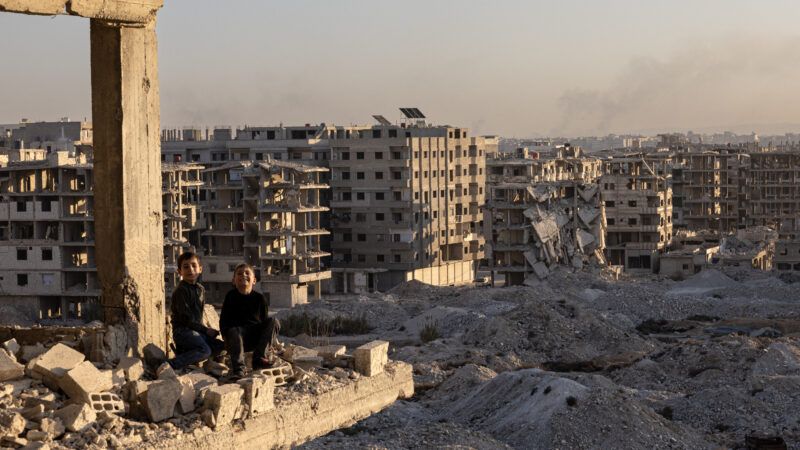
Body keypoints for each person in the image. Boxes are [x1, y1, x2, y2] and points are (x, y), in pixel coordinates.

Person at [220, 263, 281, 379]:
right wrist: (225, 337)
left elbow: (265, 321)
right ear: (234, 281)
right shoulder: (230, 296)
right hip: (237, 338)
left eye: (247, 273)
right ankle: (239, 370)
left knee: (274, 321)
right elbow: (223, 320)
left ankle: (259, 359)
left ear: (254, 280)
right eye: (239, 273)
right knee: (234, 330)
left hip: (255, 337)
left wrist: (269, 342)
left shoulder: (259, 298)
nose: (243, 275)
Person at [167, 251, 224, 370]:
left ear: (200, 269)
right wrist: (205, 330)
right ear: (179, 272)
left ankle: (189, 356)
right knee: (205, 350)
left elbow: (199, 316)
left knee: (222, 347)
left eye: (194, 266)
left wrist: (206, 331)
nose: (190, 270)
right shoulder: (181, 291)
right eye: (186, 267)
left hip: (197, 331)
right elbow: (186, 319)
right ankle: (171, 365)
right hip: (183, 331)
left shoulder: (200, 289)